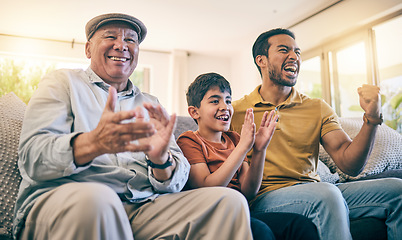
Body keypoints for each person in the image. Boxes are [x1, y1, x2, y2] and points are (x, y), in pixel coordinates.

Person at [12, 13, 254, 240]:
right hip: (69, 199)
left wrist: (161, 161)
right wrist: (93, 143)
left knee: (228, 203)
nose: (122, 45)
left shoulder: (150, 103)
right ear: (88, 48)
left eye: (130, 39)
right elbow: (32, 158)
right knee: (98, 199)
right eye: (110, 37)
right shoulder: (61, 83)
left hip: (141, 207)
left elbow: (179, 178)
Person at [230, 28, 402, 240]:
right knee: (327, 195)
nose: (294, 57)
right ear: (261, 61)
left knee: (398, 190)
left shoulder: (317, 107)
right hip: (266, 198)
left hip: (316, 190)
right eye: (284, 50)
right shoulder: (235, 112)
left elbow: (350, 164)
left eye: (297, 52)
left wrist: (372, 118)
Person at [177, 72, 320, 240]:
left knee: (300, 226)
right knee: (261, 232)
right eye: (215, 101)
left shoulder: (234, 139)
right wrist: (243, 148)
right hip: (212, 216)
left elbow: (249, 191)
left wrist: (259, 149)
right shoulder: (189, 140)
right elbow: (207, 188)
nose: (225, 106)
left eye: (228, 100)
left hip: (241, 210)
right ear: (194, 112)